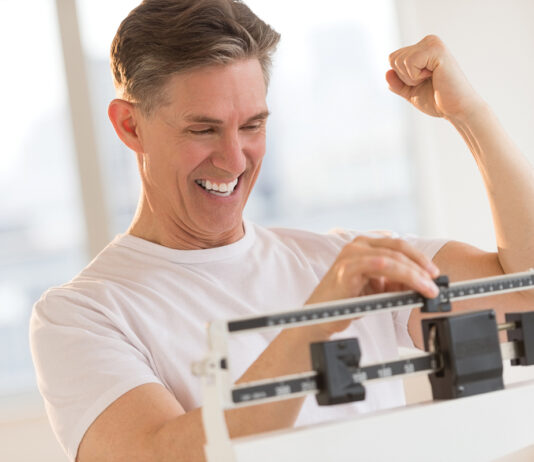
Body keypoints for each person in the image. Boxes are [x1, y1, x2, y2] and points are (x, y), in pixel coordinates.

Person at [30, 0, 534, 461]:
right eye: (202, 129)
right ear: (130, 126)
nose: (233, 159)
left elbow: (525, 295)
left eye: (252, 125)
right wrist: (316, 322)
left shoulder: (340, 262)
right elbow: (156, 455)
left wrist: (470, 115)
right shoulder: (82, 316)